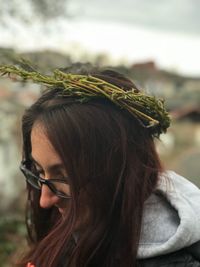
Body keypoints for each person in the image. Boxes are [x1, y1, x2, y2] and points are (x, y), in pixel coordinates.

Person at [0, 63, 200, 267]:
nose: (44, 200)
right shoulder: (76, 223)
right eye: (38, 170)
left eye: (66, 177)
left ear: (123, 169)